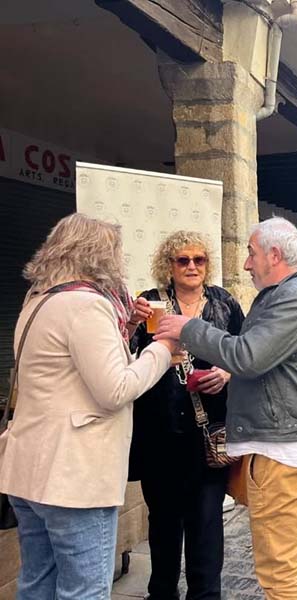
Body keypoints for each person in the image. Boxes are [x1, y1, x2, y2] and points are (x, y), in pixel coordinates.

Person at [156, 217, 297, 599]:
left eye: (252, 253)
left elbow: (247, 356)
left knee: (280, 566)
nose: (246, 264)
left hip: (283, 451)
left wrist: (188, 328)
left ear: (275, 255)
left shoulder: (294, 297)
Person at [0, 214, 175, 598]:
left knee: (37, 583)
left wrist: (127, 331)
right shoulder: (86, 305)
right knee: (85, 591)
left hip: (28, 470)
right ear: (101, 255)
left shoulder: (38, 299)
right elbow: (115, 389)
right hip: (73, 477)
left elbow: (70, 373)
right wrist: (163, 350)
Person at [128, 231, 245, 599]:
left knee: (206, 523)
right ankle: (161, 592)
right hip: (159, 430)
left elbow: (245, 353)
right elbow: (122, 358)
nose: (192, 266)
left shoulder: (224, 303)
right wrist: (129, 323)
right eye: (183, 260)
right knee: (163, 523)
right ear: (169, 265)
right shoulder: (150, 302)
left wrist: (226, 372)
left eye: (199, 259)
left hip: (209, 434)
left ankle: (205, 594)